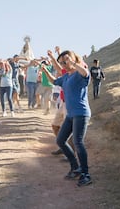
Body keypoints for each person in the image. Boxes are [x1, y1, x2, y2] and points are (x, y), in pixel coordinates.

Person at [41, 50, 93, 187]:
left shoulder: (80, 73)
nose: (64, 63)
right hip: (70, 115)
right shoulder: (66, 77)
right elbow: (54, 81)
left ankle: (86, 174)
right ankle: (76, 167)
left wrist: (73, 63)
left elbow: (86, 74)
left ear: (74, 58)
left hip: (81, 113)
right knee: (60, 140)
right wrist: (45, 70)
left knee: (78, 142)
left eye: (66, 60)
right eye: (62, 62)